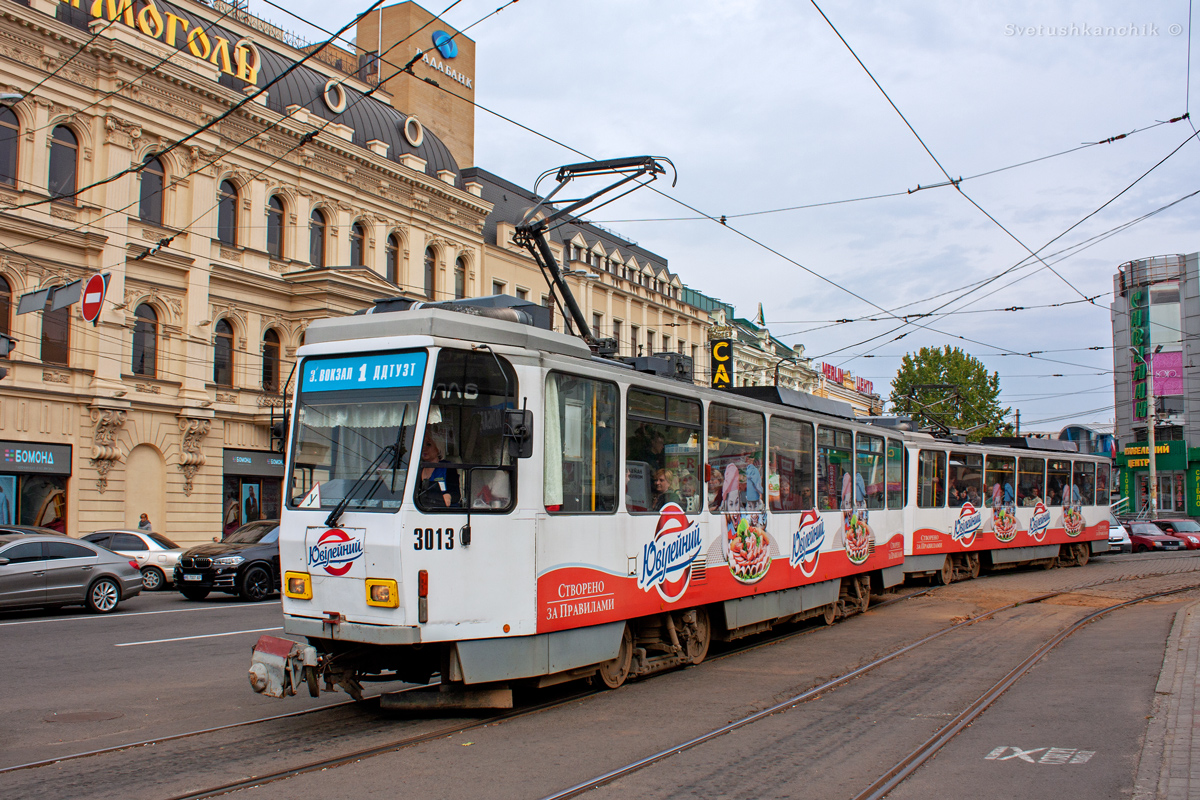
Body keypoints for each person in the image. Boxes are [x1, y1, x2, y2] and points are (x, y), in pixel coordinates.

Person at [417, 428, 460, 508]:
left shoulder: (448, 467)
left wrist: (448, 496)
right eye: (422, 445)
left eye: (428, 444)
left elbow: (456, 494)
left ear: (438, 447)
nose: (424, 448)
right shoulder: (417, 469)